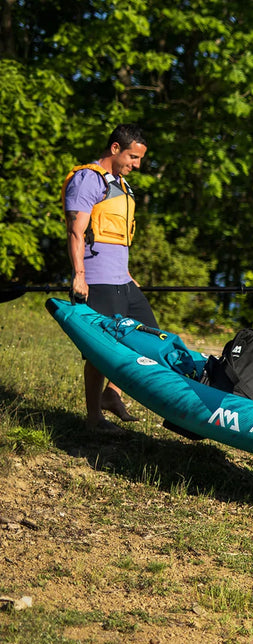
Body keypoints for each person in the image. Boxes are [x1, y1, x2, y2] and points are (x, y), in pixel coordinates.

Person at [62, 123, 159, 432]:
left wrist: (129, 275)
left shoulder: (120, 183)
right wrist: (79, 276)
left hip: (121, 279)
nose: (137, 165)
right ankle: (93, 419)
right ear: (115, 149)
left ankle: (111, 394)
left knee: (148, 336)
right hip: (98, 278)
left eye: (140, 159)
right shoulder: (88, 179)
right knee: (101, 350)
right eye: (133, 157)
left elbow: (117, 237)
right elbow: (76, 231)